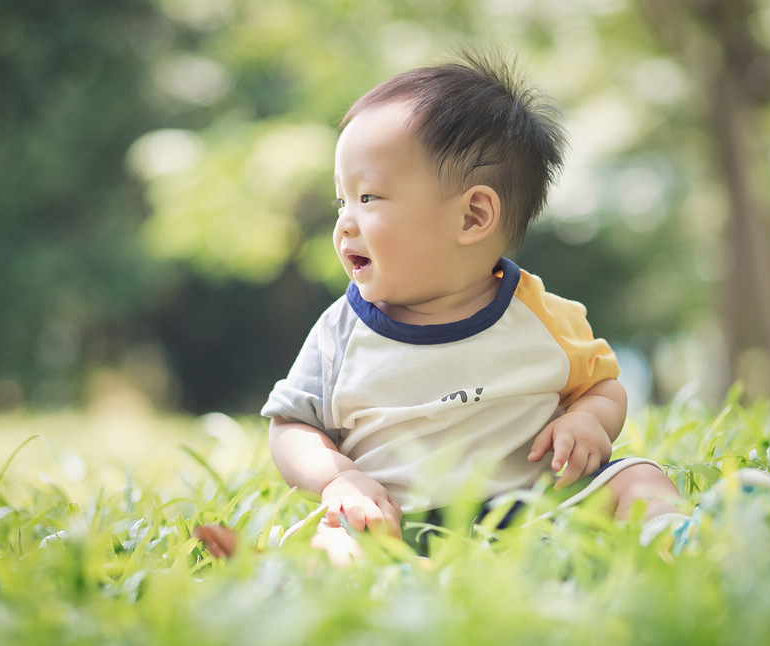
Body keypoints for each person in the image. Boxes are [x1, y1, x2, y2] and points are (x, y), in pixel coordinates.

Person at [260, 50, 691, 566]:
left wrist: (589, 422)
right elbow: (290, 425)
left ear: (473, 216)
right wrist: (340, 477)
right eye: (341, 201)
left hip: (540, 514)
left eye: (369, 198)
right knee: (336, 537)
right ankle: (361, 585)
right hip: (398, 521)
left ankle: (684, 544)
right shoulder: (341, 333)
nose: (345, 223)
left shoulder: (541, 315)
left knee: (637, 477)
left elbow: (601, 386)